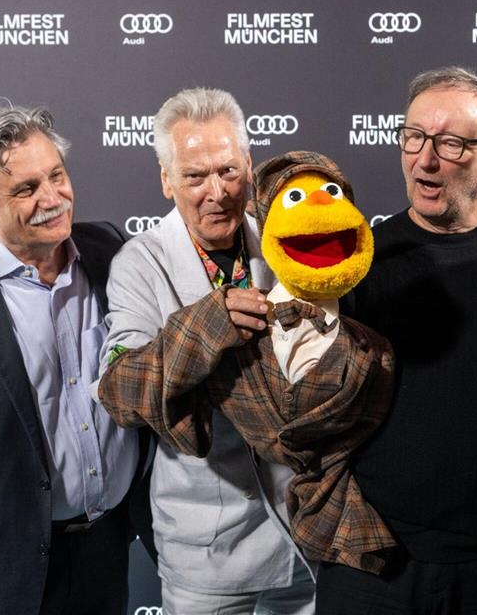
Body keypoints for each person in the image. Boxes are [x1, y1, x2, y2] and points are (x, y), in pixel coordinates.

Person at [315, 66, 477, 614]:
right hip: (368, 561)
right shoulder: (353, 261)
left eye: (452, 144)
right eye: (414, 137)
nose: (425, 159)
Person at [0, 102, 146, 615]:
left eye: (57, 176)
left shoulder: (109, 251)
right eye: (25, 189)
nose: (53, 199)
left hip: (111, 549)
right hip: (6, 571)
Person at [95, 87, 314, 615]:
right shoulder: (139, 264)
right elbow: (120, 390)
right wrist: (204, 326)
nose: (216, 192)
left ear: (249, 165)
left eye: (228, 171)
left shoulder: (288, 244)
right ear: (167, 179)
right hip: (206, 550)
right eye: (195, 176)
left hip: (302, 537)